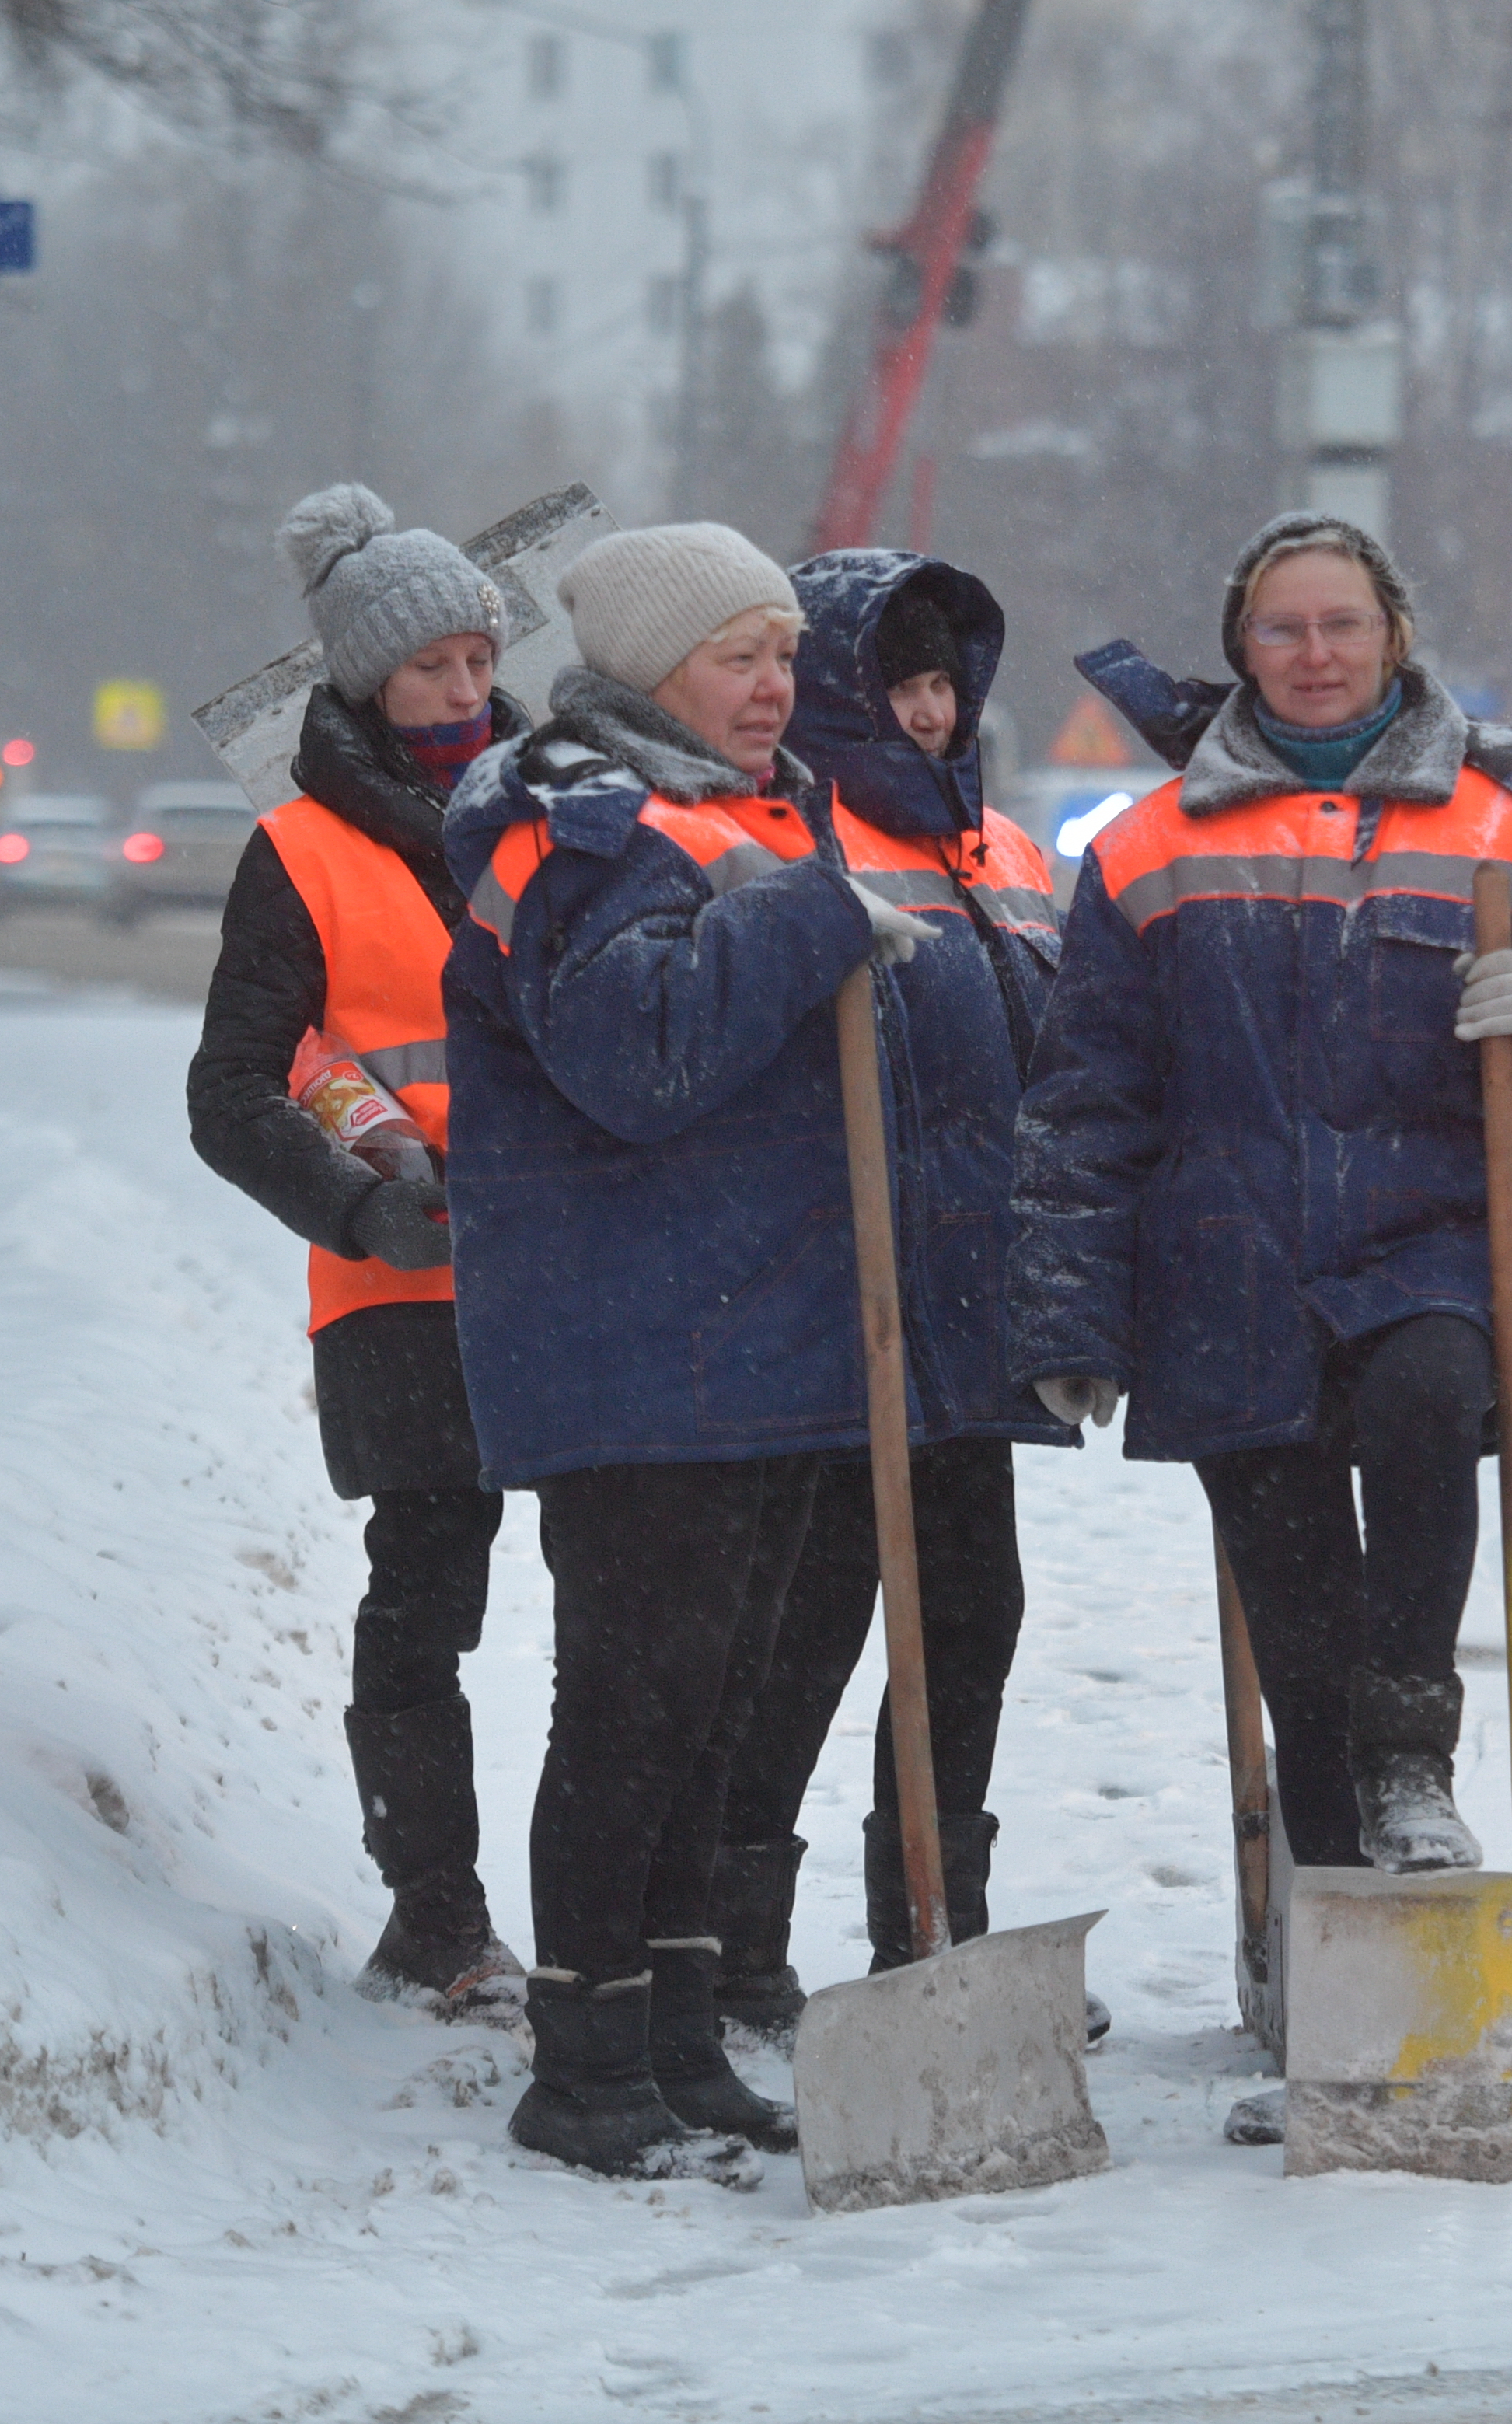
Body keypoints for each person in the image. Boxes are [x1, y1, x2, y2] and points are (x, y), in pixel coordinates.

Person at [1010, 513, 1512, 2044]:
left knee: (1435, 1391)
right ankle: (1335, 1996)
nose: (1316, 654)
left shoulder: (1511, 813)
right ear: (1243, 646)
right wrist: (1070, 1309)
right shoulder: (1153, 843)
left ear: (1395, 634)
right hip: (1225, 1270)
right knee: (1298, 1634)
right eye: (1284, 628)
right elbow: (1088, 1097)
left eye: (1344, 625)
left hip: (1432, 1234)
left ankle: (1414, 1753)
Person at [437, 520, 939, 2178]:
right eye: (740, 652)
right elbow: (636, 1054)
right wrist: (816, 922)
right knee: (635, 1707)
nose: (777, 682)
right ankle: (581, 2064)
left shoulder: (747, 813)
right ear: (654, 669)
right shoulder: (562, 822)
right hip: (635, 1349)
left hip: (762, 1338)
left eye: (786, 650)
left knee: (719, 1710)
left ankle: (669, 2037)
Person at [704, 548, 1098, 2045]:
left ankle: (937, 1933)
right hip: (828, 1311)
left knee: (969, 1620)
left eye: (947, 684)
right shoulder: (788, 836)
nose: (930, 713)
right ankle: (737, 1936)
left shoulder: (999, 848)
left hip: (967, 1310)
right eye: (901, 683)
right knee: (806, 1628)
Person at [185, 485, 526, 2015]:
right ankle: (438, 1916)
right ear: (364, 676)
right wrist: (357, 1205)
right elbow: (229, 1088)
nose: (465, 689)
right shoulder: (303, 851)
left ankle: (652, 1913)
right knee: (427, 1602)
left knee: (636, 1604)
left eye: (480, 657)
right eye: (433, 665)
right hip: (400, 1287)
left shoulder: (556, 807)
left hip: (576, 1275)